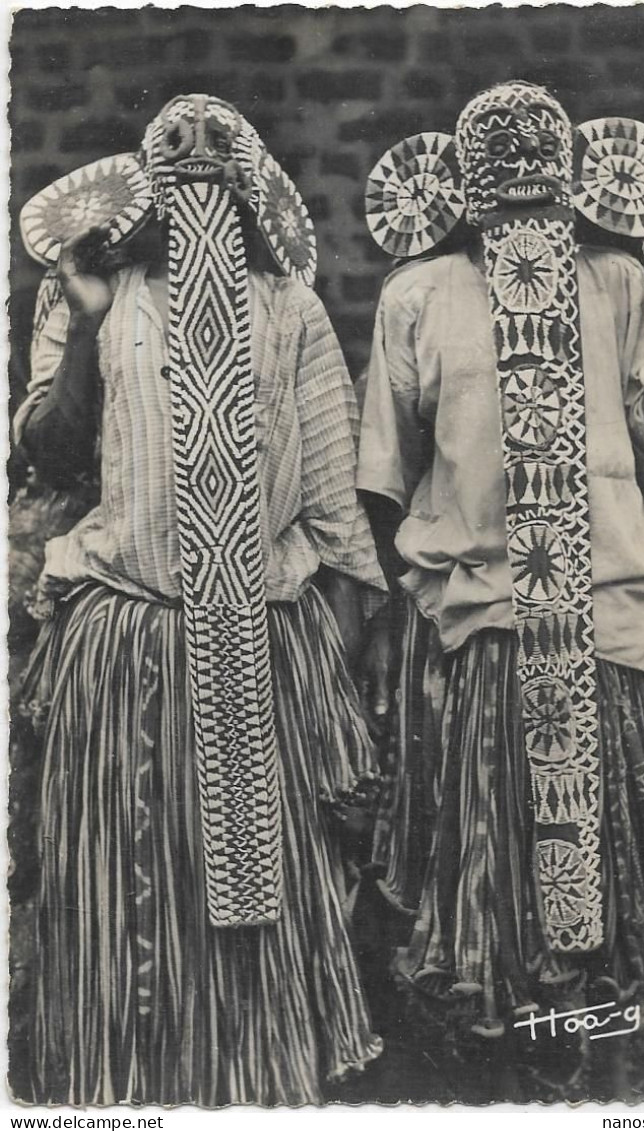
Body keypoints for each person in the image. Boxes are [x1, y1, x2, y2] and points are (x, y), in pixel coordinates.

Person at [14, 94, 386, 1106]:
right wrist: (90, 320)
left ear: (255, 184)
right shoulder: (93, 294)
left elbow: (328, 496)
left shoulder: (291, 310)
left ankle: (258, 1084)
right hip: (128, 642)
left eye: (217, 159)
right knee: (131, 879)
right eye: (172, 161)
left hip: (266, 641)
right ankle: (128, 1086)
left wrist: (337, 676)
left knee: (276, 881)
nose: (197, 175)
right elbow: (49, 455)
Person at [356, 81, 644, 1048]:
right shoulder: (416, 295)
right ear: (465, 192)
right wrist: (391, 626)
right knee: (488, 883)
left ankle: (596, 1050)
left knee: (616, 905)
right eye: (502, 195)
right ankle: (501, 1056)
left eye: (541, 198)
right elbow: (387, 478)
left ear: (574, 186)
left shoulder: (623, 284)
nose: (525, 218)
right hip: (480, 624)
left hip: (604, 621)